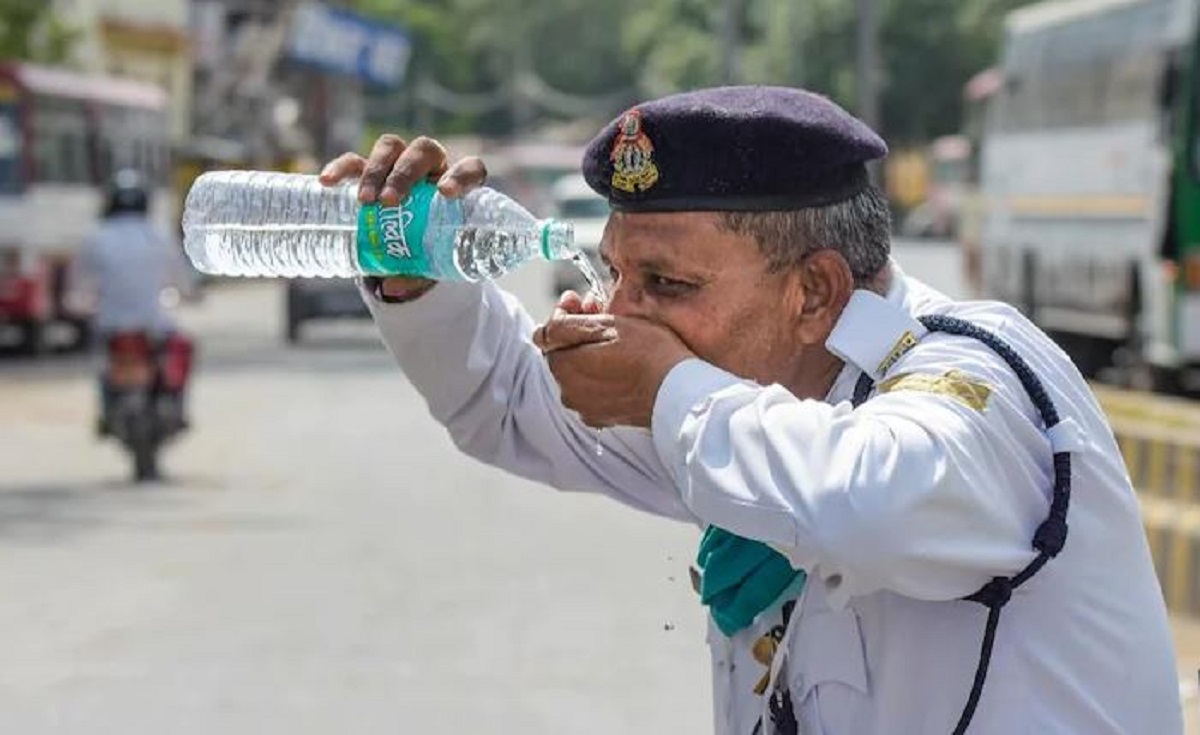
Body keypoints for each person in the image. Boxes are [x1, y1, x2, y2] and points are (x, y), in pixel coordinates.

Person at [320, 86, 1182, 734]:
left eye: (667, 284)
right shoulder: (739, 409)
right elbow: (506, 402)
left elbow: (861, 502)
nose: (623, 313)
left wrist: (661, 388)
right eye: (617, 272)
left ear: (814, 293)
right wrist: (417, 280)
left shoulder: (975, 374)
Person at [66, 168, 197, 430]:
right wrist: (191, 294)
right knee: (183, 349)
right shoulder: (159, 237)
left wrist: (77, 304)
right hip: (153, 325)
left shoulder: (96, 239)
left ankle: (106, 411)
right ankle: (178, 406)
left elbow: (78, 286)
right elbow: (183, 280)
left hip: (110, 324)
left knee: (102, 363)